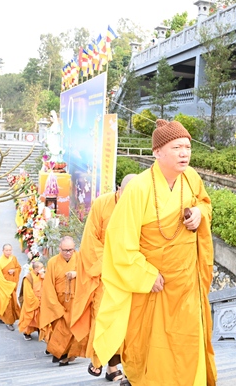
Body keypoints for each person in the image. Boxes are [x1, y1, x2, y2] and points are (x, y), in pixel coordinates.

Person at [93, 119, 217, 386]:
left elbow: (205, 204)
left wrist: (199, 213)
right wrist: (145, 275)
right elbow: (120, 241)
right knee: (151, 350)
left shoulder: (191, 178)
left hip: (186, 284)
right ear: (157, 152)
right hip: (154, 286)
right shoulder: (139, 188)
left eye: (187, 147)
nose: (184, 153)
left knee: (187, 346)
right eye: (176, 147)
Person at [71, 174, 136, 381]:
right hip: (105, 275)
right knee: (105, 318)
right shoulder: (102, 205)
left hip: (129, 275)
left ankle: (119, 368)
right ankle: (104, 363)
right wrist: (111, 264)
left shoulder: (139, 206)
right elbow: (90, 242)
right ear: (119, 190)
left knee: (128, 324)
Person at [39, 236, 86, 366]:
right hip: (59, 304)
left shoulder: (81, 259)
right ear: (60, 248)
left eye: (71, 250)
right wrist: (56, 307)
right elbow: (48, 287)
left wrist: (77, 274)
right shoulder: (52, 262)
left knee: (75, 329)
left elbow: (90, 275)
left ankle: (67, 355)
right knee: (60, 330)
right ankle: (61, 354)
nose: (68, 253)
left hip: (77, 303)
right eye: (65, 250)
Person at [0, 243, 21, 331]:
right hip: (4, 287)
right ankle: (9, 322)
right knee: (6, 303)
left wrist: (14, 270)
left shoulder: (13, 258)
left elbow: (19, 268)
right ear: (3, 251)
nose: (8, 252)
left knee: (11, 303)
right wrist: (9, 286)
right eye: (6, 250)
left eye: (10, 250)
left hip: (12, 284)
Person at [18, 261, 45, 341]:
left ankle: (41, 333)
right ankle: (27, 333)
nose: (43, 269)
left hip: (41, 300)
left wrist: (44, 277)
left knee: (40, 318)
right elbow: (28, 293)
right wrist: (36, 301)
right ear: (36, 269)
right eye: (41, 268)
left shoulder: (41, 275)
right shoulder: (28, 278)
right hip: (32, 301)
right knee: (29, 318)